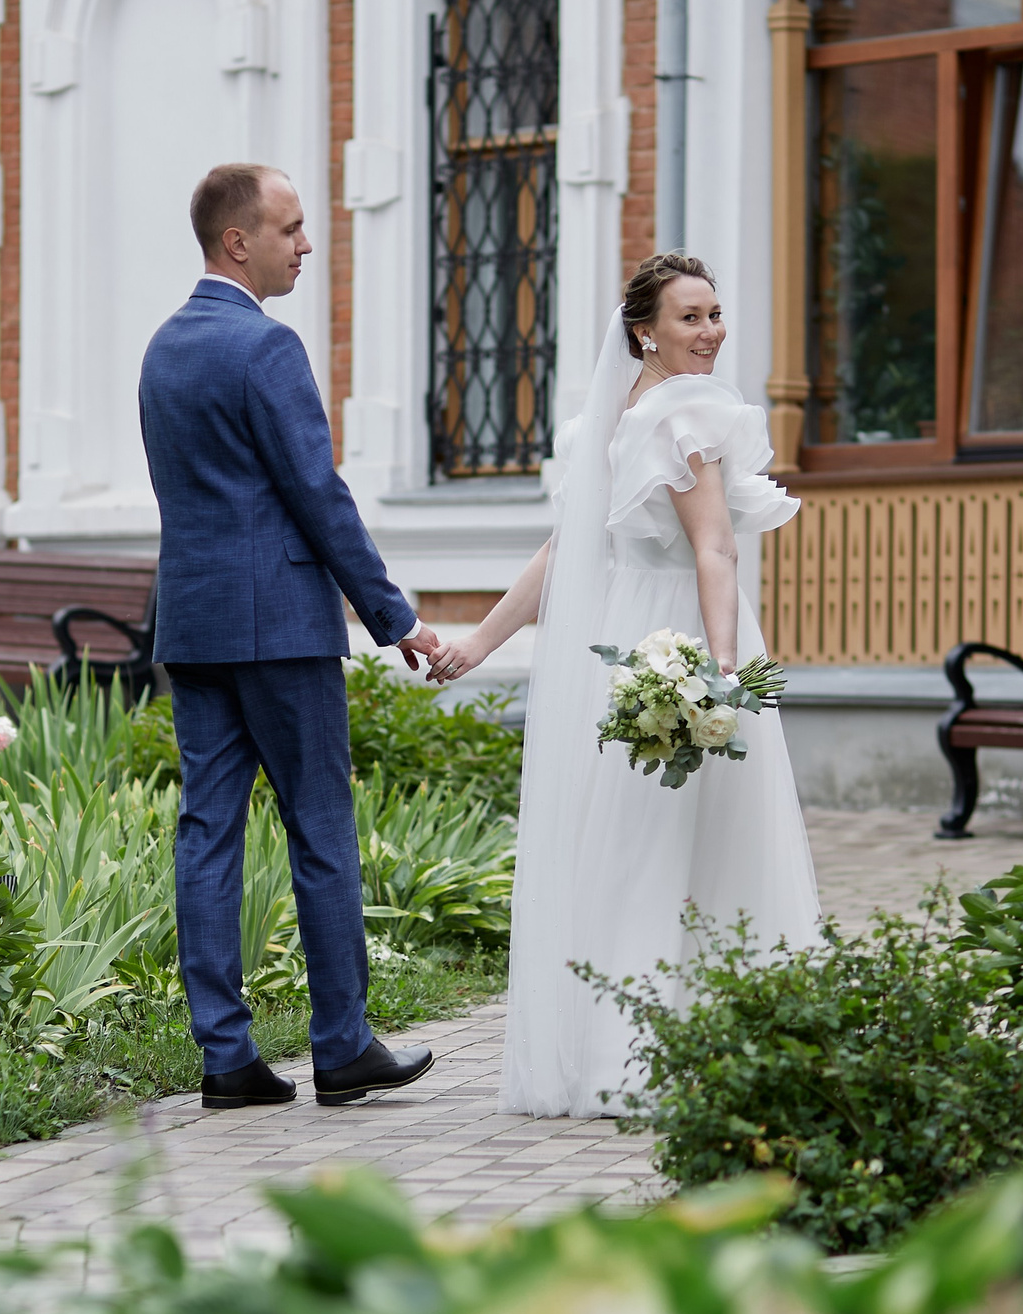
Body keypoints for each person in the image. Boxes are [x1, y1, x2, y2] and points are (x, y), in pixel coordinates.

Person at [427, 253, 822, 1118]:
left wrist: (482, 643)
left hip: (633, 634)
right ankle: (681, 1051)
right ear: (644, 330)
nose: (712, 330)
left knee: (641, 845)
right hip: (678, 634)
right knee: (677, 845)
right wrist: (721, 670)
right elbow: (710, 547)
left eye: (716, 312)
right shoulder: (681, 415)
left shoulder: (619, 419)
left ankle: (630, 1051)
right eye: (690, 317)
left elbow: (573, 552)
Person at [138, 162, 448, 1109]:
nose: (307, 246)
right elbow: (317, 494)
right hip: (280, 628)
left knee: (207, 831)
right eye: (292, 229)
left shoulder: (162, 348)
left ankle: (225, 1057)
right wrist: (393, 614)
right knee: (319, 827)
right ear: (240, 241)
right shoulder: (264, 349)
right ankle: (343, 1043)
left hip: (194, 623)